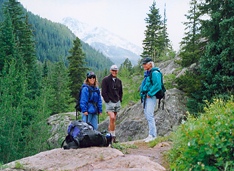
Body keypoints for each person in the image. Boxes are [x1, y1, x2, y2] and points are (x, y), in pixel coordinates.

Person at [140, 57, 162, 142]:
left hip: (150, 97)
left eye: (145, 64)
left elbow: (157, 85)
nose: (144, 65)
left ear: (150, 64)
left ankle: (153, 135)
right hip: (146, 97)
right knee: (148, 115)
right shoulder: (148, 73)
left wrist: (150, 93)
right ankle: (151, 134)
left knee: (149, 115)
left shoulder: (155, 73)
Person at [101, 64, 123, 143]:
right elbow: (103, 91)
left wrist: (120, 99)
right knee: (112, 117)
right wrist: (107, 100)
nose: (114, 72)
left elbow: (120, 91)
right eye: (113, 70)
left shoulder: (119, 81)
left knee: (112, 121)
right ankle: (113, 136)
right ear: (110, 71)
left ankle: (109, 137)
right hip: (109, 102)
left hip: (117, 102)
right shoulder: (105, 80)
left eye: (115, 70)